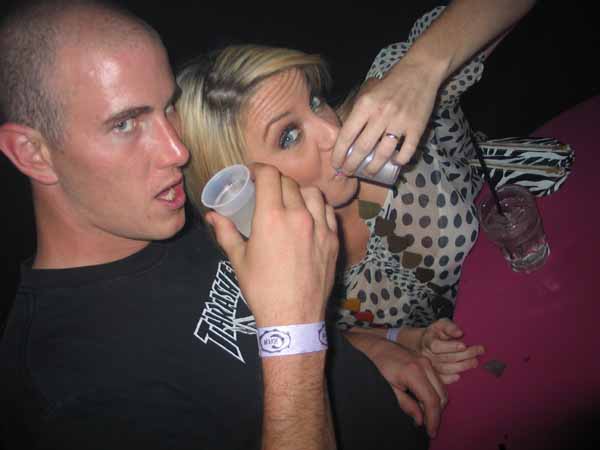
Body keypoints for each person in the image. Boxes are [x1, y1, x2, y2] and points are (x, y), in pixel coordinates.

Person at [0, 1, 438, 449]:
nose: (177, 151)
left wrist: (371, 346)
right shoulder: (69, 389)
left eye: (169, 107)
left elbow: (247, 343)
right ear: (33, 153)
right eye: (126, 124)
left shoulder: (176, 222)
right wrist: (296, 332)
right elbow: (288, 331)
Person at [176, 0, 535, 393]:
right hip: (487, 364)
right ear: (239, 191)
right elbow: (330, 333)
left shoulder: (383, 115)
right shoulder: (267, 269)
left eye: (315, 101)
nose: (333, 131)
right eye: (290, 136)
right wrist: (397, 341)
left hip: (543, 223)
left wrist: (419, 72)